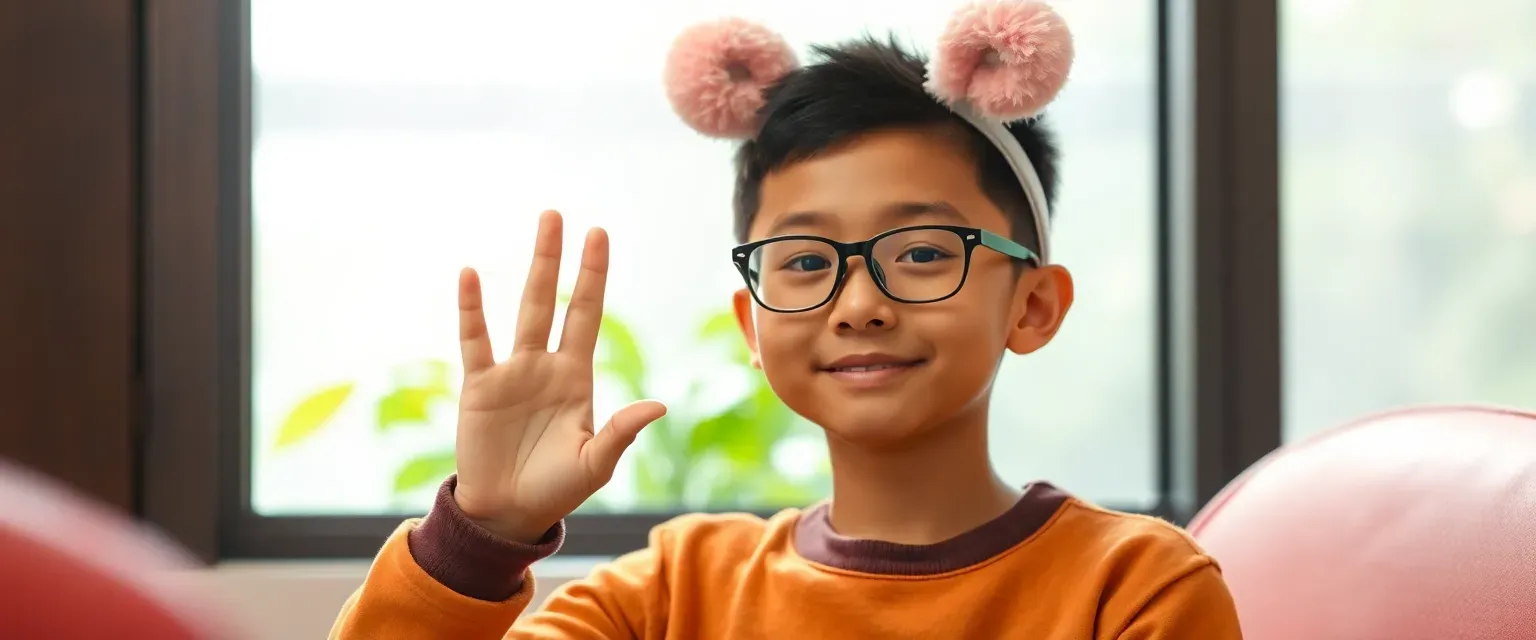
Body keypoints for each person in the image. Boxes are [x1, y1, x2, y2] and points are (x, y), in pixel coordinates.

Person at [331, 2, 1242, 638]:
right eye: (805, 263)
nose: (859, 305)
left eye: (922, 251)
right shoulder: (675, 590)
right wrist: (478, 537)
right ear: (753, 325)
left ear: (1033, 304)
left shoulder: (1134, 587)